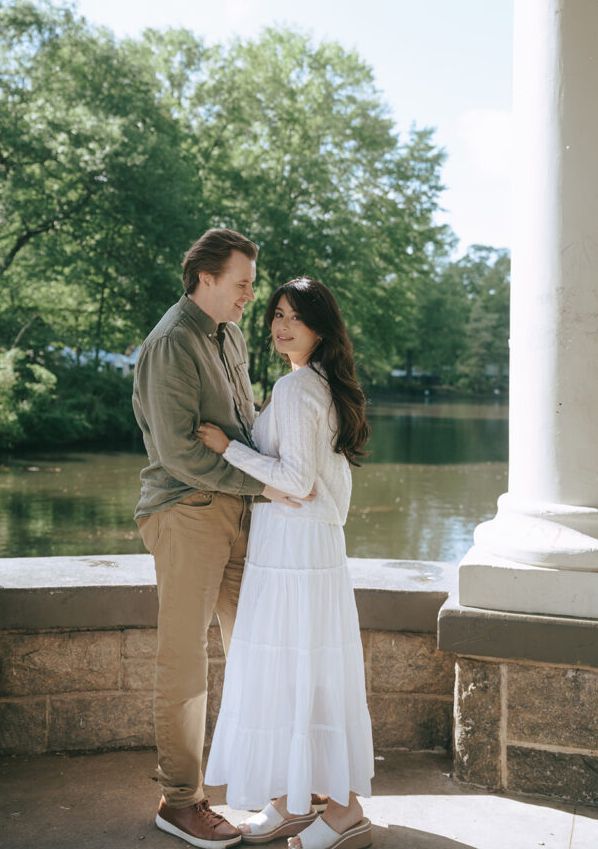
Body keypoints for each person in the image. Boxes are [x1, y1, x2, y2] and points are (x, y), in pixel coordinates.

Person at [133, 229, 304, 849]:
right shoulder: (171, 343)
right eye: (242, 283)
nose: (250, 296)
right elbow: (178, 452)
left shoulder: (226, 335)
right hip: (186, 512)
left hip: (236, 512)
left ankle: (274, 788)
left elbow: (243, 422)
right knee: (184, 658)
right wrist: (265, 488)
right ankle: (180, 800)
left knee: (256, 647)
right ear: (206, 278)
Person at [197, 277, 374, 849]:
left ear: (321, 326)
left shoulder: (300, 389)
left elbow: (297, 482)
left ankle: (344, 812)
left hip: (296, 548)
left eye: (294, 316)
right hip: (302, 547)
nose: (280, 324)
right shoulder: (311, 383)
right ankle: (299, 796)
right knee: (303, 670)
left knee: (302, 670)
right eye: (275, 313)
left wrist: (229, 449)